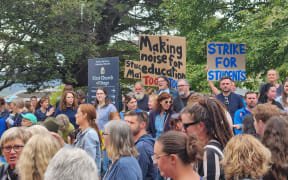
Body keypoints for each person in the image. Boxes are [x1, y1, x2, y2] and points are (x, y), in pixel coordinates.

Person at [181, 95, 234, 180]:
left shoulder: (210, 153)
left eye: (185, 125)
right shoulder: (208, 148)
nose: (183, 130)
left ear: (200, 126)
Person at [124, 111, 157, 180]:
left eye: (131, 123)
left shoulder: (142, 147)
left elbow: (137, 176)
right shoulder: (145, 143)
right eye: (126, 122)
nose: (127, 125)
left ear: (143, 125)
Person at [73, 104, 102, 175]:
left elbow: (89, 162)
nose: (75, 115)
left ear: (85, 115)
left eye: (78, 113)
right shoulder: (81, 133)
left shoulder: (90, 134)